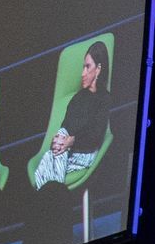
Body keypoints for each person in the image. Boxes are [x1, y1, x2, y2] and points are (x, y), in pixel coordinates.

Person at [31, 41, 111, 191]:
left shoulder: (104, 99)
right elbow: (66, 126)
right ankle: (50, 200)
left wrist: (71, 141)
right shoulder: (78, 98)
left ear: (98, 69)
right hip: (70, 152)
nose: (82, 73)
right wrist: (58, 140)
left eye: (88, 67)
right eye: (83, 67)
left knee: (54, 157)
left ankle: (50, 200)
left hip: (86, 152)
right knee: (51, 155)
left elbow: (95, 136)